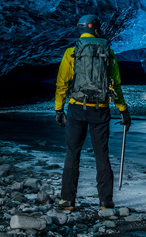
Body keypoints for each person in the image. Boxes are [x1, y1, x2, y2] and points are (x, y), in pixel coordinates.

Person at [54, 14, 131, 211]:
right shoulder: (108, 52)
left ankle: (67, 201)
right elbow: (116, 84)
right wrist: (123, 110)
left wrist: (58, 109)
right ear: (96, 28)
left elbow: (62, 83)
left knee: (72, 153)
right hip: (101, 109)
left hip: (76, 108)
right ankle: (106, 202)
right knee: (101, 155)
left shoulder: (71, 52)